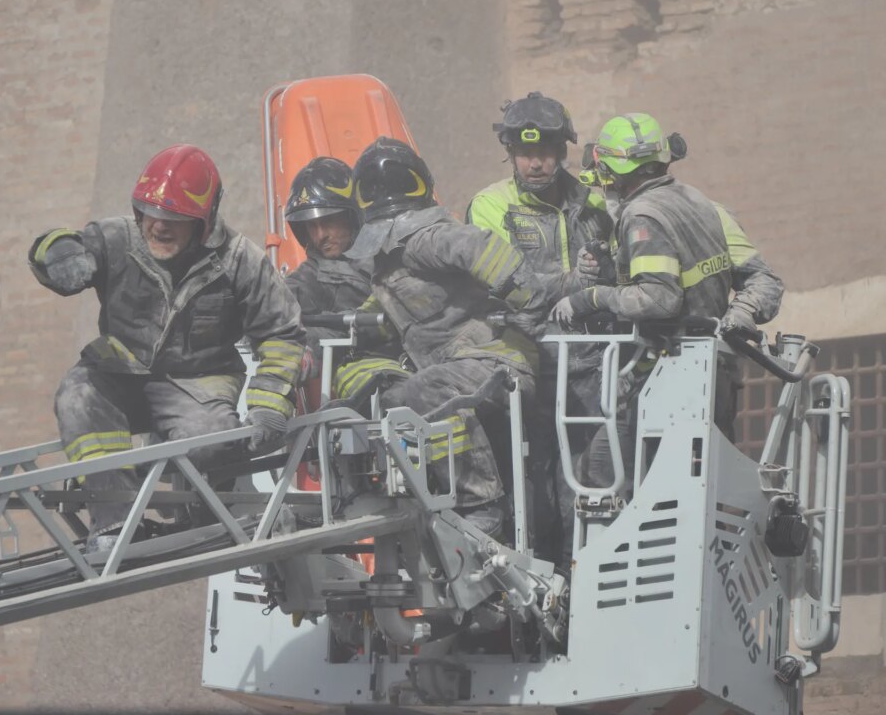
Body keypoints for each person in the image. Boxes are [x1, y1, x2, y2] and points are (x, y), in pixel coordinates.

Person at [29, 144, 305, 550]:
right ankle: (114, 522)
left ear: (204, 222)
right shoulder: (115, 239)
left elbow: (282, 332)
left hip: (199, 381)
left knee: (214, 440)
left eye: (175, 219)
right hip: (121, 371)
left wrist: (269, 405)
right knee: (78, 396)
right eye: (151, 214)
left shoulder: (238, 260)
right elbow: (55, 245)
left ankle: (206, 510)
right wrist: (57, 255)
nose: (158, 227)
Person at [553, 113, 783, 489]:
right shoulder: (705, 205)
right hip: (712, 377)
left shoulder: (641, 215)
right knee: (697, 488)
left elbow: (656, 299)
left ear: (615, 171)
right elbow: (763, 279)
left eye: (605, 173)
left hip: (665, 377)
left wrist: (592, 296)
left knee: (607, 476)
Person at [348, 137, 562, 536]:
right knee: (393, 399)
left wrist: (527, 297)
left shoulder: (423, 238)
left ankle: (481, 502)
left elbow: (477, 245)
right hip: (466, 367)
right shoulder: (390, 255)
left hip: (498, 360)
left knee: (427, 390)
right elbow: (395, 303)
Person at [467, 92, 614, 563]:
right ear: (510, 153)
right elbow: (508, 285)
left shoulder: (596, 204)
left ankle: (582, 586)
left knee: (590, 487)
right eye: (525, 153)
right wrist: (575, 281)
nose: (534, 163)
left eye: (545, 152)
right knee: (530, 491)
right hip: (524, 366)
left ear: (562, 151)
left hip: (590, 367)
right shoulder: (490, 205)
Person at [282, 157, 409, 403]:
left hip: (425, 356)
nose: (320, 235)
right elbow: (276, 306)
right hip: (372, 376)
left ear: (351, 216)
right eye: (311, 225)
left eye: (328, 221)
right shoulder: (309, 279)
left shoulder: (392, 251)